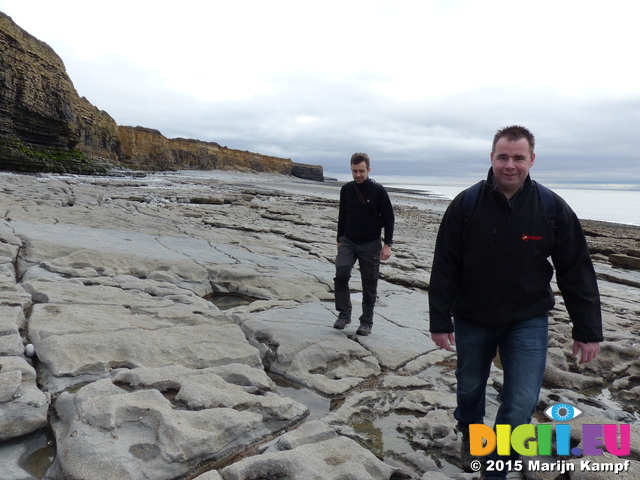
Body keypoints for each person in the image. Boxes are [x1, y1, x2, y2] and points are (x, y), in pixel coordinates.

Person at [428, 126, 603, 479]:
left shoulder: (551, 208)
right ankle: (470, 432)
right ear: (491, 158)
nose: (510, 165)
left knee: (521, 401)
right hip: (472, 316)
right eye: (503, 157)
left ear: (532, 160)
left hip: (527, 320)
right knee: (470, 387)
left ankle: (494, 471)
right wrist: (439, 320)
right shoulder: (466, 204)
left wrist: (588, 330)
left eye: (518, 158)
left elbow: (576, 270)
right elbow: (445, 263)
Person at [333, 152, 395, 336]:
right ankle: (344, 315)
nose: (357, 175)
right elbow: (342, 216)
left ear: (368, 169)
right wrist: (339, 239)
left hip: (371, 243)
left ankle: (366, 322)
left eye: (361, 171)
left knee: (370, 284)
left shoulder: (378, 191)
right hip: (349, 241)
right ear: (351, 169)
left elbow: (389, 218)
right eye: (354, 171)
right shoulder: (346, 190)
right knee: (341, 273)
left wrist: (388, 244)